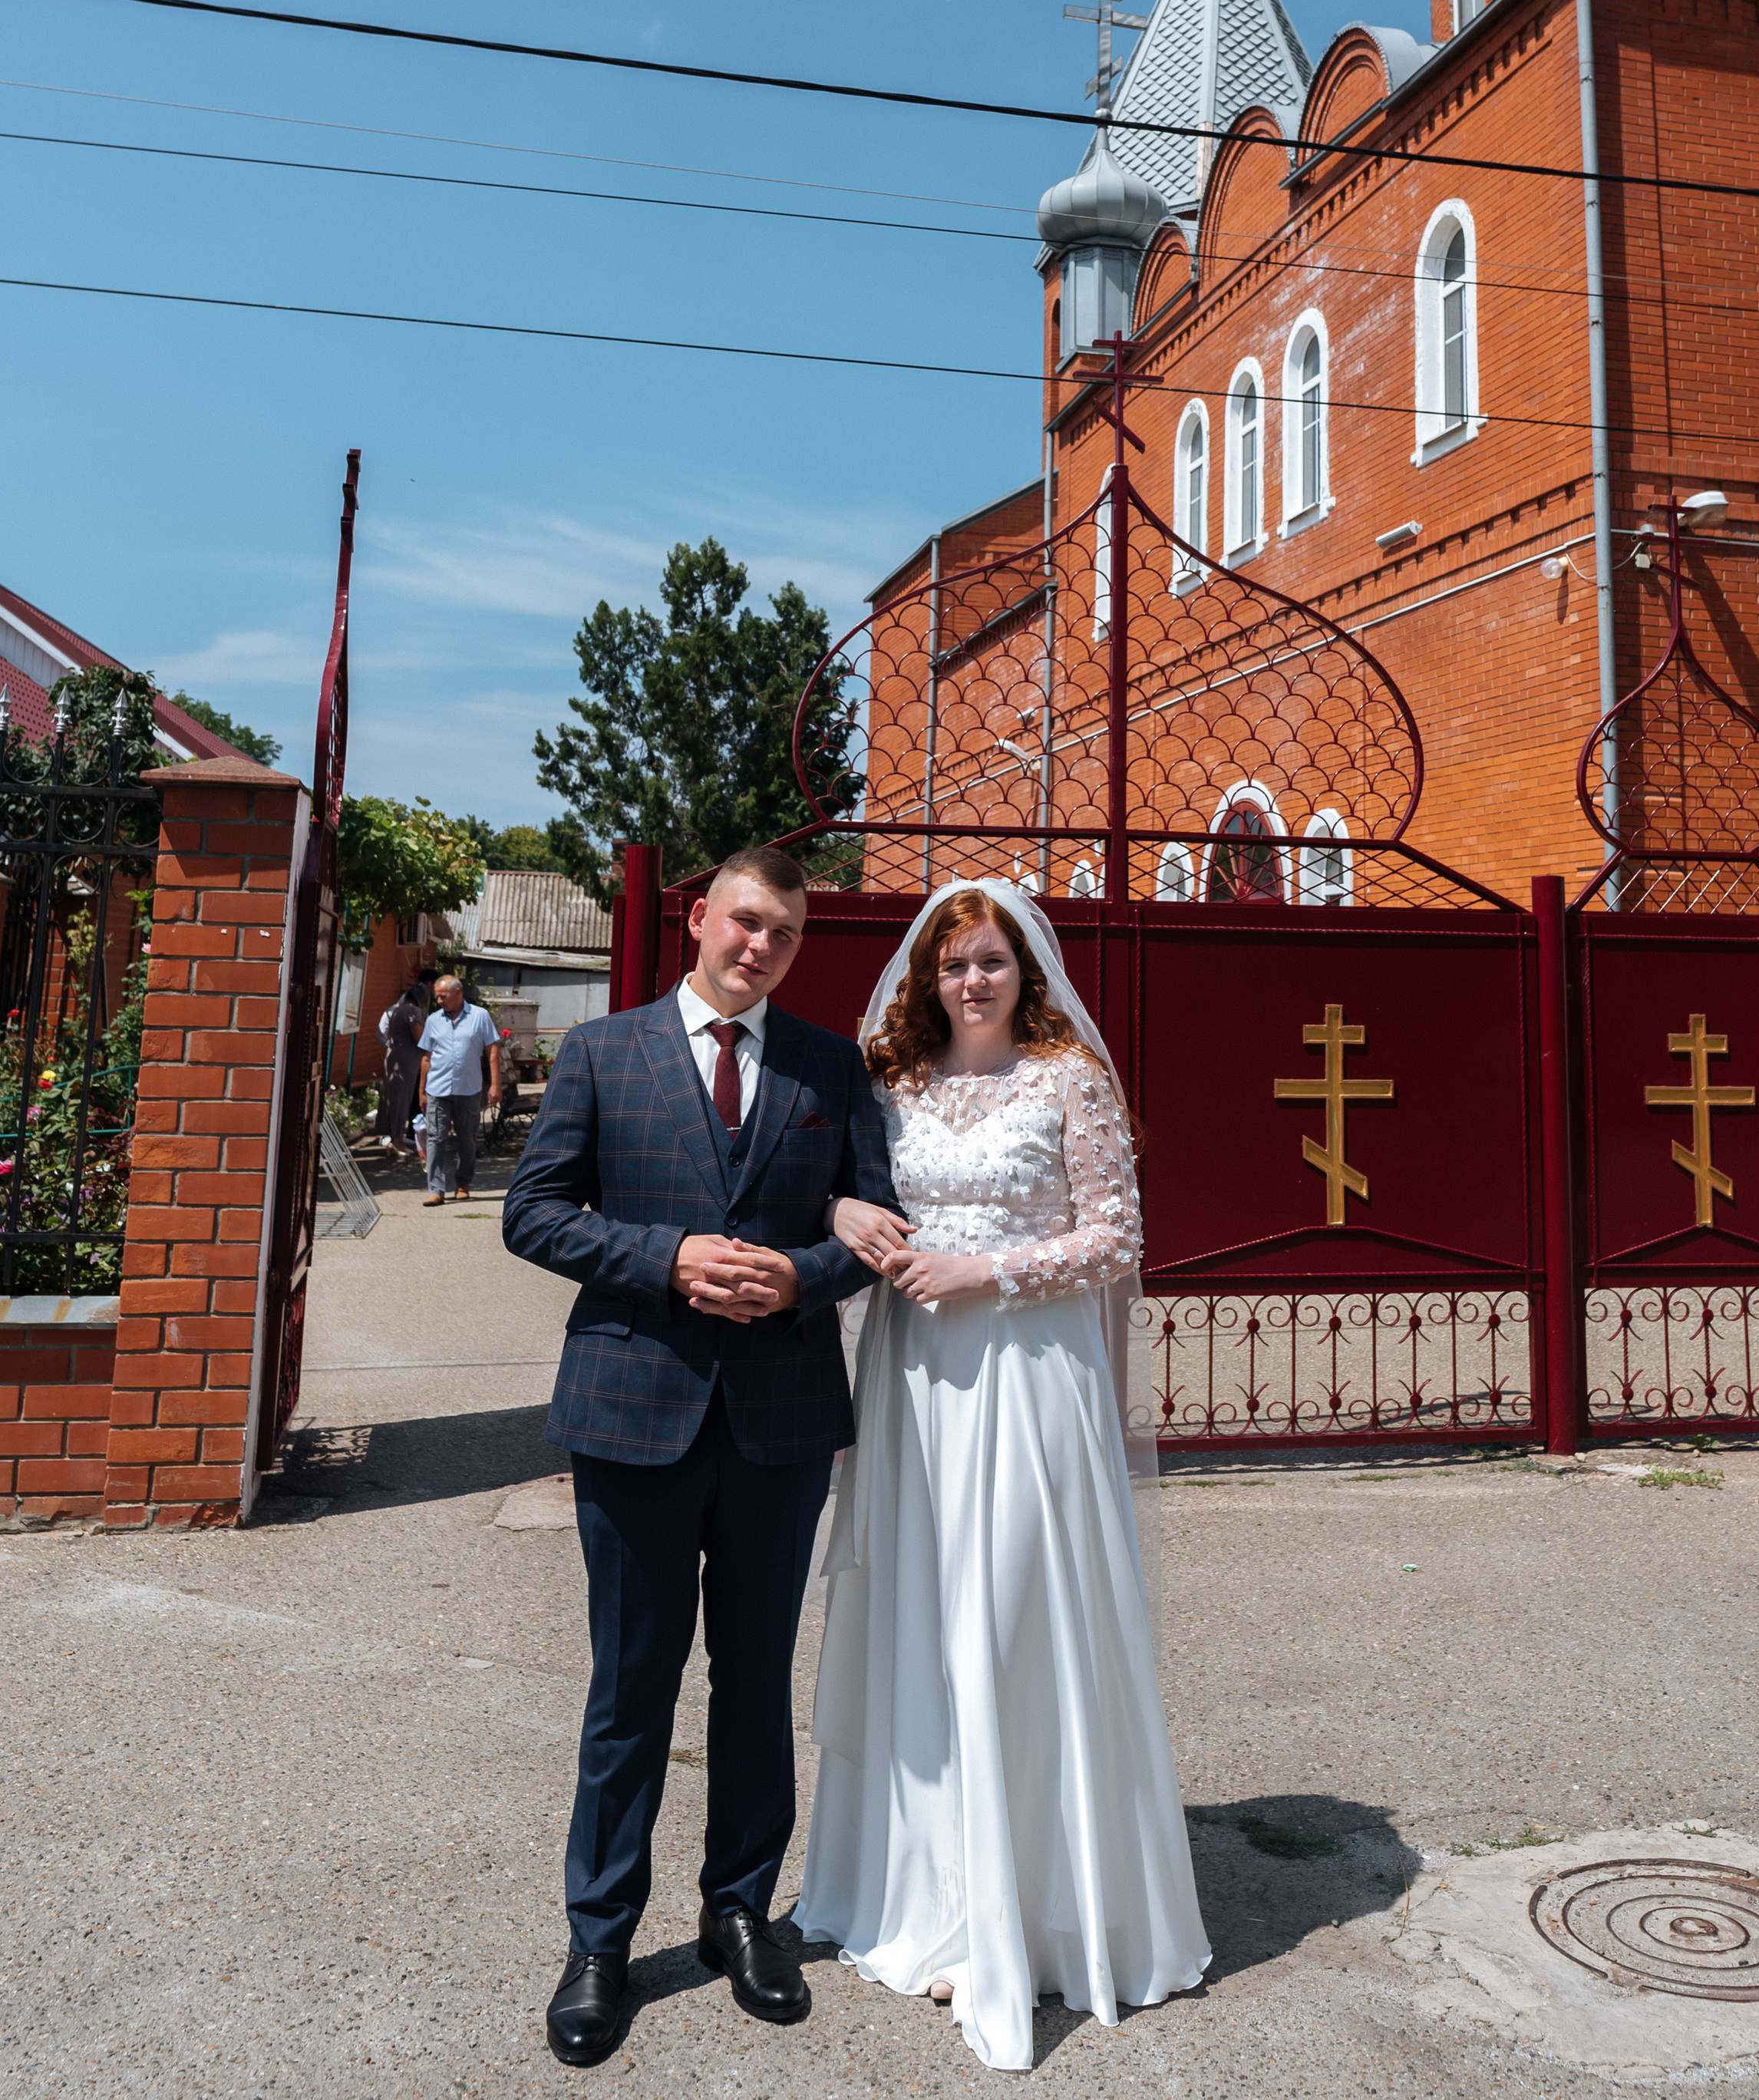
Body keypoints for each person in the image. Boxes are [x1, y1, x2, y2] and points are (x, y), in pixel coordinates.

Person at [794, 879, 1210, 2074]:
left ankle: (1036, 1911)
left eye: (991, 959)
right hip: (917, 1380)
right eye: (952, 963)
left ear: (1027, 969)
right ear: (927, 978)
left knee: (1021, 1617)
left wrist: (990, 1272)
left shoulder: (1070, 1078)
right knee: (924, 1617)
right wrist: (852, 1217)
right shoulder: (899, 1082)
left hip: (1031, 1376)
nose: (972, 979)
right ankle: (927, 1889)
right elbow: (849, 1193)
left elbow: (1117, 1238)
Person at [501, 845, 898, 2070]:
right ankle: (601, 1939)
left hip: (777, 1421)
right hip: (635, 1412)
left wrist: (801, 1275)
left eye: (783, 932)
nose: (759, 946)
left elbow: (876, 1217)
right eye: (744, 921)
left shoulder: (834, 1065)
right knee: (631, 1686)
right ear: (697, 920)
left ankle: (739, 1911)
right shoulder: (601, 1053)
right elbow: (536, 1211)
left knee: (755, 1678)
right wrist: (666, 1257)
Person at [417, 976, 502, 1206]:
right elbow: (426, 1057)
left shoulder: (480, 1017)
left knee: (467, 1139)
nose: (439, 1001)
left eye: (443, 996)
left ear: (458, 993)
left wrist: (495, 1084)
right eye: (437, 996)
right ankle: (436, 1190)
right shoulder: (434, 1020)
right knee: (435, 1138)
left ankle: (463, 1184)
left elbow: (492, 1051)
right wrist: (422, 1091)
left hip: (469, 1089)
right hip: (438, 1089)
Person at [376, 975, 431, 1161]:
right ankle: (397, 1138)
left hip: (398, 1059)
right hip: (406, 1061)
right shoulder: (412, 1011)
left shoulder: (398, 1009)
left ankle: (395, 1139)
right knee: (401, 1100)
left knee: (395, 1099)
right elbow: (420, 1038)